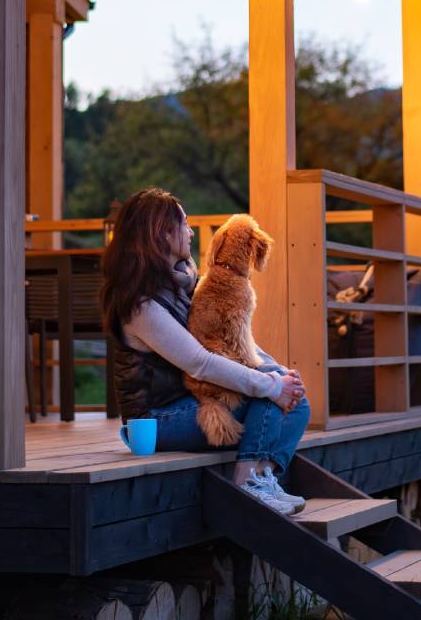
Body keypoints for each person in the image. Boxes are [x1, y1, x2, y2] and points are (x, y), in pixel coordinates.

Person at [102, 187, 311, 515]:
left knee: (295, 399)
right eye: (183, 224)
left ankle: (262, 476)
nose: (189, 231)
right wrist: (271, 385)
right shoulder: (140, 304)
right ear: (162, 233)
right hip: (156, 418)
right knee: (266, 397)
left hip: (192, 399)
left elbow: (228, 339)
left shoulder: (182, 284)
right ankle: (248, 483)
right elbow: (199, 362)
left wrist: (278, 374)